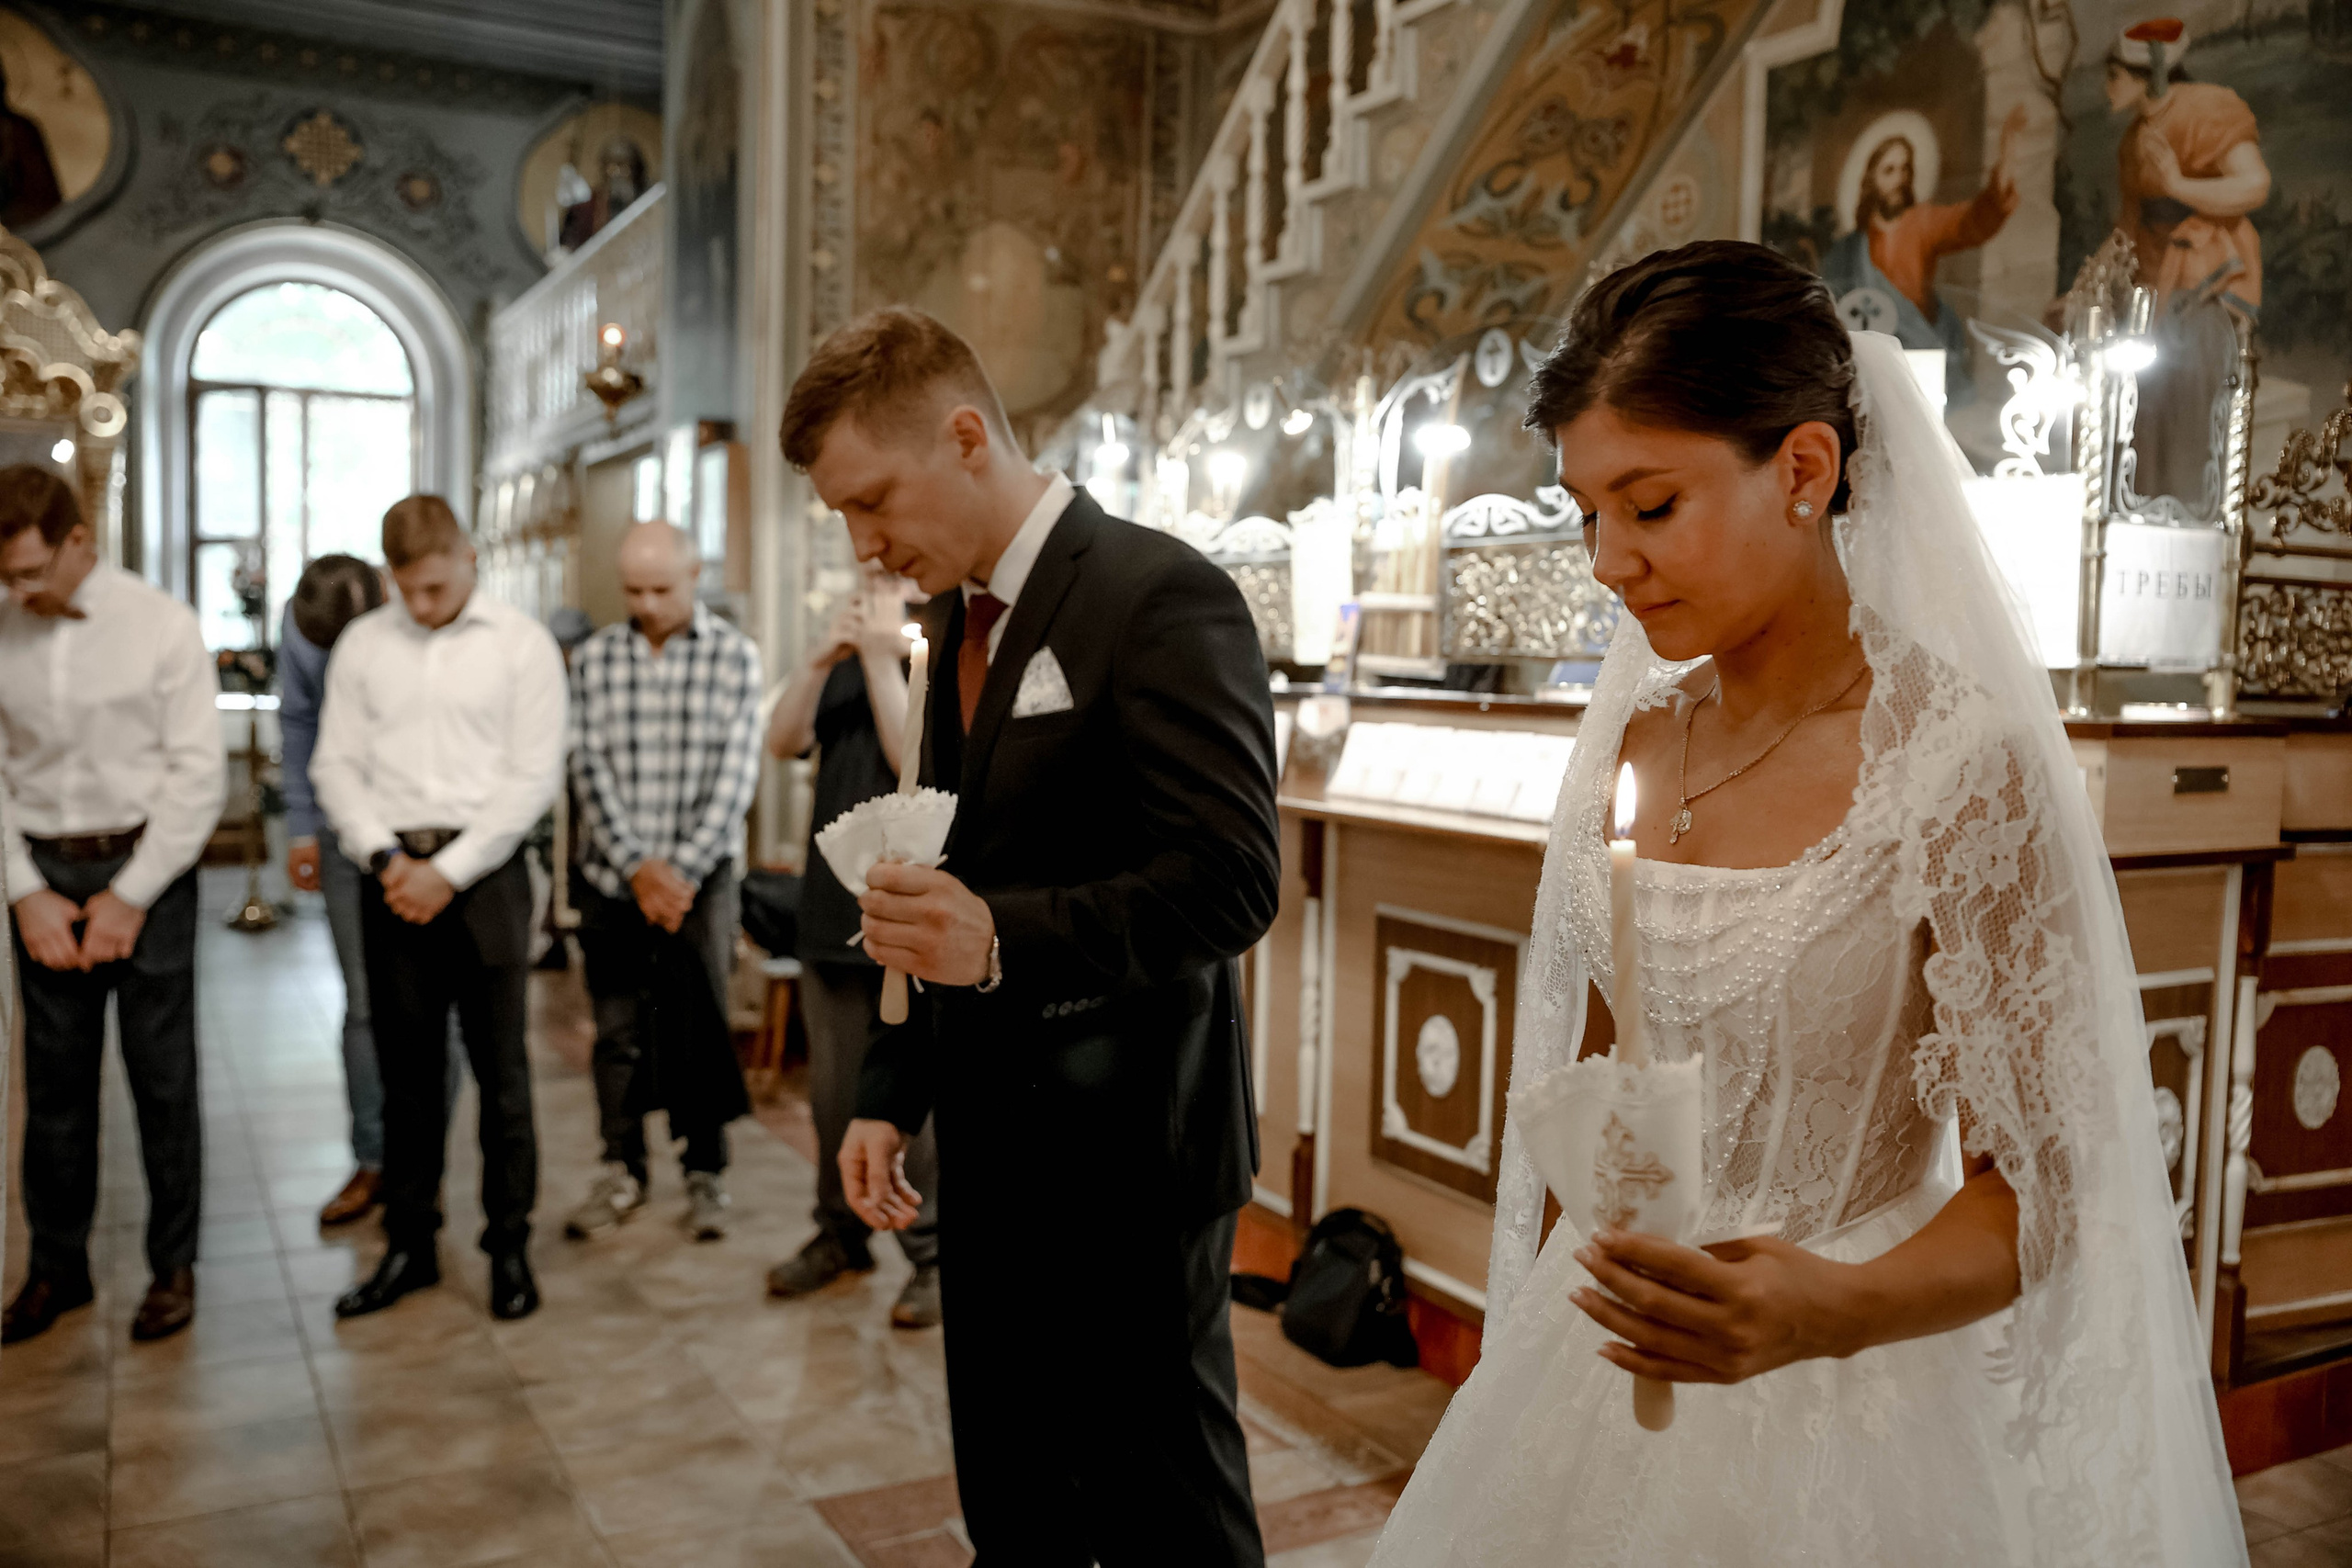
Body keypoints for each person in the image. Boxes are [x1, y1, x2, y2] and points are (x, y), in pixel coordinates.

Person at [1366, 243, 2245, 1565]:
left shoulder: (1950, 764)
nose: (1609, 561)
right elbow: (1616, 1080)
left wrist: (1823, 1307)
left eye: (1650, 506)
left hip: (1846, 1367)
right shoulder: (1637, 742)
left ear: (1804, 469)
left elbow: (2052, 1193)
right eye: (1587, 511)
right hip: (1604, 1331)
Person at [785, 307, 1280, 1565]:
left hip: (1133, 1143)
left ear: (964, 437)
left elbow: (1231, 881)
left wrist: (1002, 940)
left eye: (873, 499)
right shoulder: (957, 617)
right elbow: (943, 874)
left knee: (1167, 1509)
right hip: (990, 1139)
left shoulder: (1161, 595)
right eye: (843, 515)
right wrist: (890, 1092)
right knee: (1013, 1493)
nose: (867, 543)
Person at [312, 495, 567, 1323]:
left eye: (432, 586)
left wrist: (445, 871)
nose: (419, 606)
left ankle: (508, 1249)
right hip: (390, 873)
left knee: (502, 1075)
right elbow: (334, 765)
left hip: (486, 877)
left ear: (469, 556)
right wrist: (388, 858)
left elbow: (532, 779)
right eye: (406, 589)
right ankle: (410, 1247)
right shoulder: (363, 643)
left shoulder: (522, 647)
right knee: (407, 1075)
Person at [0, 466, 224, 1345]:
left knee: (163, 1084)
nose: (16, 591)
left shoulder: (162, 626)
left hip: (149, 868)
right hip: (41, 874)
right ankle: (58, 1267)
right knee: (51, 1092)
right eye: (6, 576)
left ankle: (173, 1267)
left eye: (30, 572)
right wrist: (24, 891)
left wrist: (131, 895)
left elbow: (196, 776)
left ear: (79, 543)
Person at [562, 522, 762, 1244]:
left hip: (698, 880)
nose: (645, 603)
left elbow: (736, 780)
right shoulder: (595, 660)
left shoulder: (735, 658)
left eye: (661, 588)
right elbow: (588, 771)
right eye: (633, 589)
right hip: (614, 878)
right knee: (616, 1030)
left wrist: (678, 871)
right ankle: (622, 1166)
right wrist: (636, 866)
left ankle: (705, 1168)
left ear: (694, 574)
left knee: (697, 1022)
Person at [760, 563, 944, 1328]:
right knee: (833, 1092)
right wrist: (818, 658)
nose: (874, 571)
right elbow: (781, 741)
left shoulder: (933, 641)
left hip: (908, 897)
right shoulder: (844, 654)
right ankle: (839, 1230)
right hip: (832, 903)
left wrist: (879, 654)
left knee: (909, 1098)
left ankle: (933, 1252)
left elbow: (920, 757)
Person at [282, 552, 465, 1228]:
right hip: (342, 831)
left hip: (426, 832)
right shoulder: (301, 625)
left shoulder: (419, 619)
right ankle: (374, 1157)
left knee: (436, 1008)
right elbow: (299, 723)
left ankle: (425, 1162)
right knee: (364, 1004)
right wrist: (303, 827)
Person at [1821, 107, 2024, 396]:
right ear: (1870, 179)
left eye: (1905, 169)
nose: (1899, 179)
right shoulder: (1850, 247)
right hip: (1867, 364)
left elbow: (1974, 220)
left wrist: (2008, 154)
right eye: (1889, 171)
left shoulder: (1922, 223)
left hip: (1919, 353)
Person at [2109, 18, 2269, 316]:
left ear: (2144, 76)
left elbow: (2254, 185)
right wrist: (2093, 288)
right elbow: (2129, 224)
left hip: (2207, 264)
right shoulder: (2132, 139)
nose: (2106, 88)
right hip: (2155, 271)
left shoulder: (2205, 107)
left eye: (2114, 76)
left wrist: (2178, 186)